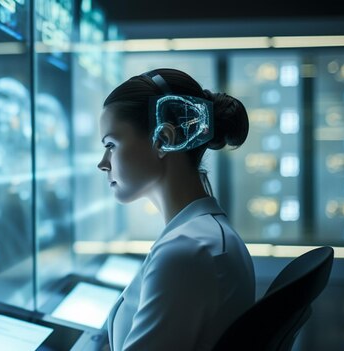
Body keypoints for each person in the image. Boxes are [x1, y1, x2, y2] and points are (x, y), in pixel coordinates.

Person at [98, 68, 255, 351]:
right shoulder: (202, 237)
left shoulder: (187, 251)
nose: (103, 163)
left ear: (164, 139)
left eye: (111, 145)